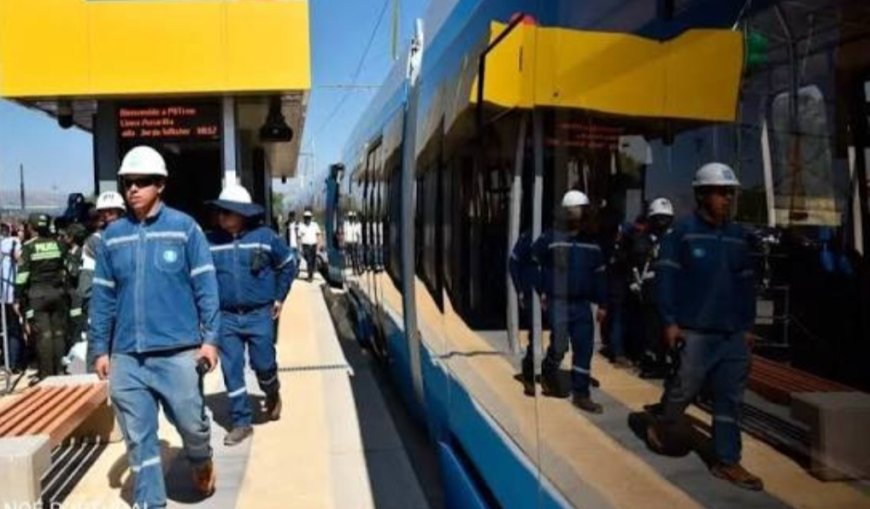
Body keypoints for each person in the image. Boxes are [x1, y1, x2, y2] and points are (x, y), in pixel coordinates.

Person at [89, 145, 221, 507]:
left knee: (192, 425)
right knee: (139, 439)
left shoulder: (184, 229)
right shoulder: (112, 238)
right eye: (128, 182)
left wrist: (210, 340)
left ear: (160, 185)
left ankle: (200, 458)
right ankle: (151, 502)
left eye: (142, 182)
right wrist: (100, 348)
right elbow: (102, 298)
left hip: (178, 353)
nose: (133, 189)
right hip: (128, 358)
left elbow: (206, 287)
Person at [650, 162, 762, 490]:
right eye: (720, 193)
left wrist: (748, 326)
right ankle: (664, 423)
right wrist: (669, 322)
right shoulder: (681, 234)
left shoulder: (739, 237)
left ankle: (727, 461)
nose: (727, 199)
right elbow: (666, 280)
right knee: (684, 388)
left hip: (731, 336)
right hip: (693, 332)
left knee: (730, 399)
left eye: (730, 193)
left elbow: (746, 286)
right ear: (702, 195)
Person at [207, 185, 296, 446]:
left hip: (260, 315)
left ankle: (272, 391)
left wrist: (279, 296)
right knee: (231, 370)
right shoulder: (210, 242)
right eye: (220, 212)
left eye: (227, 212)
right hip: (226, 318)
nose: (221, 217)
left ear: (242, 214)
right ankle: (241, 422)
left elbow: (288, 264)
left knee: (263, 364)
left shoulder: (266, 238)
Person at [527, 190, 608, 413]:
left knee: (584, 349)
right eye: (574, 211)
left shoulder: (592, 244)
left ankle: (581, 394)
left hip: (582, 306)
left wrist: (603, 304)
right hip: (558, 302)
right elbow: (533, 261)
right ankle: (549, 370)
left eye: (580, 211)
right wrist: (540, 289)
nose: (578, 215)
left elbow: (600, 275)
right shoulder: (550, 238)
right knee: (560, 345)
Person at [71, 190, 126, 374]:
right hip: (103, 306)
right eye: (105, 212)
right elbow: (87, 287)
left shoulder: (132, 236)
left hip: (127, 308)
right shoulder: (94, 242)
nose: (108, 217)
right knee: (98, 356)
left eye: (112, 212)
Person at [15, 213, 70, 384]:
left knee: (44, 335)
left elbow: (22, 276)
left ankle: (47, 376)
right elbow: (64, 269)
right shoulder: (59, 244)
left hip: (37, 295)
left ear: (31, 227)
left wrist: (18, 297)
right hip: (58, 293)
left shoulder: (28, 247)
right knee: (59, 334)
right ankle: (61, 371)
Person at [1, 222, 23, 373]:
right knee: (13, 328)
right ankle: (14, 363)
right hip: (11, 293)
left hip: (4, 292)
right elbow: (21, 261)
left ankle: (7, 360)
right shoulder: (13, 243)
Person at [298, 210, 321, 281]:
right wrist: (300, 247)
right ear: (304, 218)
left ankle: (311, 274)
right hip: (305, 245)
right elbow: (299, 237)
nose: (307, 219)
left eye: (308, 217)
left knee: (313, 260)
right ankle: (310, 276)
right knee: (309, 260)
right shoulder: (301, 226)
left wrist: (319, 246)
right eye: (306, 217)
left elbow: (318, 235)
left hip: (313, 245)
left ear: (311, 218)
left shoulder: (315, 225)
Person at [343, 211, 362, 275]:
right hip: (348, 242)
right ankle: (354, 270)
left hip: (355, 242)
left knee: (355, 257)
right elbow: (344, 233)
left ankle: (358, 270)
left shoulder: (356, 225)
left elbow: (358, 234)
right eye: (350, 217)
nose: (351, 218)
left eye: (352, 217)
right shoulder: (346, 224)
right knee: (351, 257)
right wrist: (344, 242)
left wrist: (359, 243)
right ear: (348, 217)